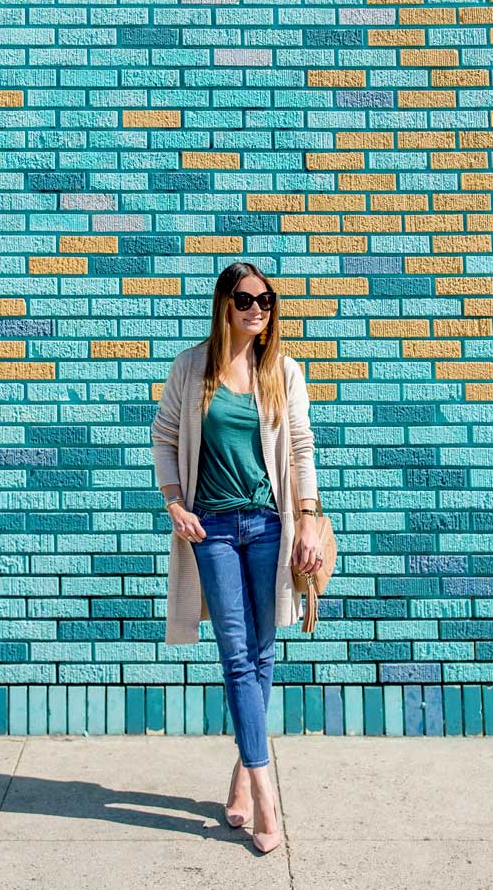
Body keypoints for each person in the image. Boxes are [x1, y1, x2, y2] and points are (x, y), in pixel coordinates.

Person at [151, 261, 324, 856]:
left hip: (269, 527)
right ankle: (266, 790)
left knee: (261, 653)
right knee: (234, 651)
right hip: (214, 529)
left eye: (268, 300)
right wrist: (174, 503)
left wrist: (306, 515)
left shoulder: (282, 370)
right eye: (247, 299)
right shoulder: (191, 368)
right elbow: (165, 436)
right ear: (225, 303)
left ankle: (242, 774)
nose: (259, 310)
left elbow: (300, 447)